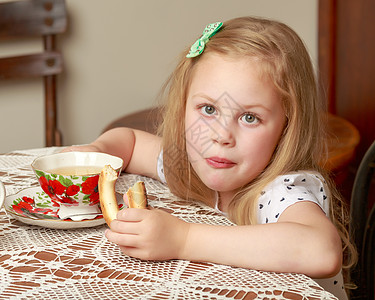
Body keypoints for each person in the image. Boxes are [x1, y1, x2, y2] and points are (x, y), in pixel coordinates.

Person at [63, 17, 356, 299]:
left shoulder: (281, 191)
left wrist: (183, 239)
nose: (221, 136)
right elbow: (131, 140)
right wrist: (100, 151)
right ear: (184, 105)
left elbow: (321, 250)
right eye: (208, 110)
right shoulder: (188, 164)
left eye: (250, 117)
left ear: (287, 127)